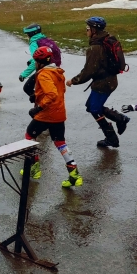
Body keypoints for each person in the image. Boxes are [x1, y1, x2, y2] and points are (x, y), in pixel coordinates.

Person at [66, 16, 129, 148]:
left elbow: (89, 71)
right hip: (110, 81)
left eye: (88, 28)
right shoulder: (107, 39)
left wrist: (73, 80)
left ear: (94, 30)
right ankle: (119, 119)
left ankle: (112, 137)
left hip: (103, 84)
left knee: (94, 109)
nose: (86, 31)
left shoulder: (95, 48)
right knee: (91, 106)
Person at [24, 46, 82, 188]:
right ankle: (74, 174)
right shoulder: (57, 72)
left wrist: (39, 107)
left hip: (46, 114)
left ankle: (35, 168)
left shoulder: (43, 74)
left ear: (39, 62)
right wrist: (36, 96)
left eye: (36, 61)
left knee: (29, 137)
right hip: (59, 113)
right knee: (60, 142)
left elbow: (52, 94)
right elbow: (59, 90)